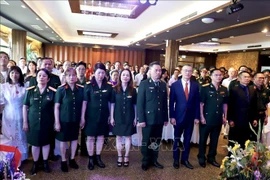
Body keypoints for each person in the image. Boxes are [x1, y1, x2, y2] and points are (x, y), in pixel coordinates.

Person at [23, 68, 56, 175]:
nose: (41, 78)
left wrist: (56, 122)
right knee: (35, 144)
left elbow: (56, 108)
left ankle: (45, 163)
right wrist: (25, 122)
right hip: (33, 122)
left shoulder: (52, 92)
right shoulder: (30, 91)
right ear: (36, 78)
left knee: (46, 143)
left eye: (44, 76)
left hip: (47, 121)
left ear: (48, 79)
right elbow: (25, 106)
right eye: (39, 76)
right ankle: (35, 163)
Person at [80, 63, 113, 170]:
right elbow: (85, 102)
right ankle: (91, 158)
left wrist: (110, 116)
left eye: (103, 73)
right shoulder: (88, 85)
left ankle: (98, 157)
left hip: (103, 115)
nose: (101, 75)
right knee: (90, 137)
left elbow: (110, 103)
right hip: (90, 116)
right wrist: (82, 117)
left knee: (100, 136)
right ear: (94, 73)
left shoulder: (108, 86)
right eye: (99, 73)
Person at [137, 61, 168, 171]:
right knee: (147, 140)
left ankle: (154, 159)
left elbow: (164, 103)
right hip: (148, 119)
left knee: (156, 140)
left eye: (160, 70)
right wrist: (141, 119)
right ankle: (146, 159)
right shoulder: (144, 83)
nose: (159, 72)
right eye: (156, 70)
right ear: (150, 71)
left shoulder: (163, 84)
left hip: (159, 118)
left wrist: (165, 118)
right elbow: (140, 103)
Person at [169, 64, 200, 170]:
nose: (188, 73)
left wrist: (197, 117)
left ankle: (185, 159)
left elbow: (197, 102)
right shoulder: (175, 85)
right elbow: (171, 103)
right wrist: (172, 116)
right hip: (178, 117)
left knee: (187, 140)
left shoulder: (195, 85)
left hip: (190, 118)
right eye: (186, 71)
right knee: (177, 139)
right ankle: (175, 159)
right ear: (181, 72)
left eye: (190, 71)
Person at [54, 68, 84, 172]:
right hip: (64, 120)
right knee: (63, 140)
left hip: (75, 119)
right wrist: (57, 122)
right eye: (69, 75)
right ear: (65, 77)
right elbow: (56, 107)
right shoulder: (61, 90)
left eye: (73, 75)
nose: (71, 77)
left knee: (74, 139)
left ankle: (72, 159)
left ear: (76, 77)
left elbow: (83, 105)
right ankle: (63, 160)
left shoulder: (80, 89)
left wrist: (82, 118)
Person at [197, 69, 228, 168]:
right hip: (206, 117)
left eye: (220, 75)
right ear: (211, 76)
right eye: (216, 75)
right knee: (203, 139)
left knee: (214, 140)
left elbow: (225, 104)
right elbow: (201, 104)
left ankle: (211, 158)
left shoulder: (224, 89)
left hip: (218, 118)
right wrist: (201, 116)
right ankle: (201, 157)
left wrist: (225, 116)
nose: (218, 77)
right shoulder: (204, 88)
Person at [0, 66, 28, 164]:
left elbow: (27, 103)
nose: (14, 75)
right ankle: (10, 158)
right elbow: (1, 103)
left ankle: (22, 157)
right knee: (9, 136)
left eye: (17, 73)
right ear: (9, 74)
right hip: (8, 114)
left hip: (21, 114)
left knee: (20, 135)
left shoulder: (24, 86)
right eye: (12, 73)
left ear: (20, 74)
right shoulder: (4, 86)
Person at [110, 69, 137, 167]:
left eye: (127, 75)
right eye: (123, 75)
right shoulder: (115, 89)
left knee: (128, 137)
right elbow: (112, 104)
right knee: (118, 137)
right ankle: (119, 155)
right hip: (118, 116)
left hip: (130, 116)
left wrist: (135, 118)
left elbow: (135, 105)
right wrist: (112, 117)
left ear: (130, 77)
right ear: (120, 77)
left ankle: (126, 155)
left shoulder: (133, 90)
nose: (125, 77)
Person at [227, 71, 258, 149]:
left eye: (248, 77)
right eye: (245, 77)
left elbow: (254, 105)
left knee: (246, 140)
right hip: (237, 119)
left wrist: (255, 118)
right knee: (234, 139)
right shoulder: (234, 90)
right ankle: (232, 157)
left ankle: (244, 157)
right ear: (239, 78)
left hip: (248, 119)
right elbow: (230, 106)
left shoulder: (252, 90)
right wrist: (230, 119)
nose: (247, 78)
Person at [253, 73, 269, 140]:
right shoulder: (250, 89)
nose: (262, 79)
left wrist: (266, 116)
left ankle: (256, 149)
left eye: (263, 78)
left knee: (259, 134)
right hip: (252, 115)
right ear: (254, 79)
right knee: (252, 133)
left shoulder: (266, 90)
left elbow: (266, 104)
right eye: (259, 78)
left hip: (262, 115)